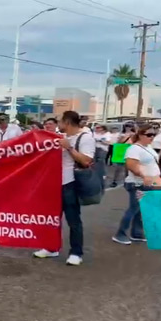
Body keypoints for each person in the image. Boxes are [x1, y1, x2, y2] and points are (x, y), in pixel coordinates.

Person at [33, 111, 95, 266]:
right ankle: (51, 247)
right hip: (55, 184)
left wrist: (69, 148)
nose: (57, 124)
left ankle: (76, 253)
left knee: (73, 220)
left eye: (60, 121)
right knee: (52, 219)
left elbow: (86, 161)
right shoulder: (62, 137)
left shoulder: (85, 137)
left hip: (71, 183)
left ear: (67, 122)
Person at [112, 124, 161, 245]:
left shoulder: (148, 148)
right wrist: (144, 176)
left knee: (140, 209)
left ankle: (137, 233)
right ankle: (120, 233)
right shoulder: (134, 149)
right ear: (140, 135)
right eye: (149, 135)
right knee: (133, 208)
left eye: (154, 134)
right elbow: (131, 165)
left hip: (147, 182)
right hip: (137, 183)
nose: (152, 137)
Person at [109, 123, 136, 188]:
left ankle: (127, 182)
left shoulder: (134, 134)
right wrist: (125, 137)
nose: (128, 128)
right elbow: (118, 143)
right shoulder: (121, 134)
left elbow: (135, 143)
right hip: (122, 153)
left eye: (130, 126)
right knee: (118, 168)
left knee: (128, 169)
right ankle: (115, 181)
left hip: (130, 152)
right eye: (126, 126)